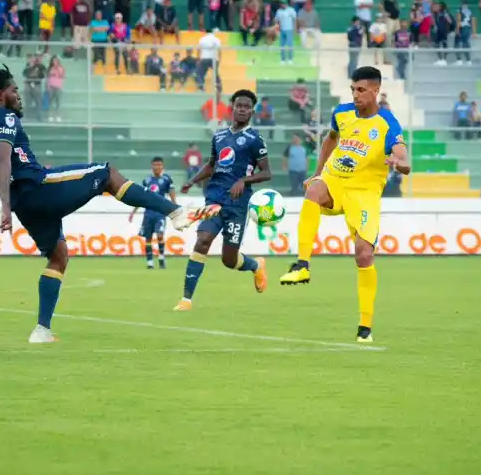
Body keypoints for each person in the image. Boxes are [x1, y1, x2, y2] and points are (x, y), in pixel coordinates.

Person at [0, 67, 219, 343]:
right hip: (37, 188)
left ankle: (41, 330)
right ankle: (176, 213)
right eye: (14, 90)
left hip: (24, 205)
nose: (18, 95)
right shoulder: (4, 117)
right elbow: (3, 159)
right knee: (107, 174)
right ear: (0, 94)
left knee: (58, 256)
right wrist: (3, 206)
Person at [278, 66, 411, 344]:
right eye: (353, 89)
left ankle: (365, 327)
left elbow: (404, 157)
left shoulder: (387, 123)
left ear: (375, 90)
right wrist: (317, 172)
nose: (356, 94)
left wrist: (399, 163)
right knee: (313, 190)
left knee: (363, 254)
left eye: (361, 90)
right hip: (335, 180)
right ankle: (302, 265)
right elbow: (331, 139)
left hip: (364, 193)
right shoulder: (342, 113)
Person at [175, 90, 272, 311]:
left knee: (229, 260)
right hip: (215, 198)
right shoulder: (218, 136)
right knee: (203, 240)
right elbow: (212, 165)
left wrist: (243, 181)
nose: (242, 109)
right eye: (239, 105)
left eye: (247, 106)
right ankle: (186, 299)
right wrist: (192, 180)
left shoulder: (255, 139)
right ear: (232, 108)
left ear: (252, 111)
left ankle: (255, 265)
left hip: (238, 203)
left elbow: (267, 172)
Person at [128, 157, 176, 269]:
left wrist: (175, 209)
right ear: (151, 166)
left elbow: (172, 195)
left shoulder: (167, 179)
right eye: (155, 165)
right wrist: (133, 212)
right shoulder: (147, 180)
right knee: (148, 238)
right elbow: (141, 198)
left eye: (159, 165)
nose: (157, 167)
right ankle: (149, 262)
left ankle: (161, 257)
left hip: (160, 212)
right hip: (148, 213)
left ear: (162, 166)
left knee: (160, 235)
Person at [274, 0, 296, 64]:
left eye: (283, 3)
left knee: (290, 45)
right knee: (282, 45)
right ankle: (282, 59)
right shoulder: (278, 11)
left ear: (286, 3)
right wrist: (277, 29)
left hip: (289, 29)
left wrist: (295, 29)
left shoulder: (291, 10)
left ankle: (290, 59)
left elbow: (295, 19)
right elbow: (276, 20)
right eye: (281, 3)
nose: (282, 4)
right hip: (282, 30)